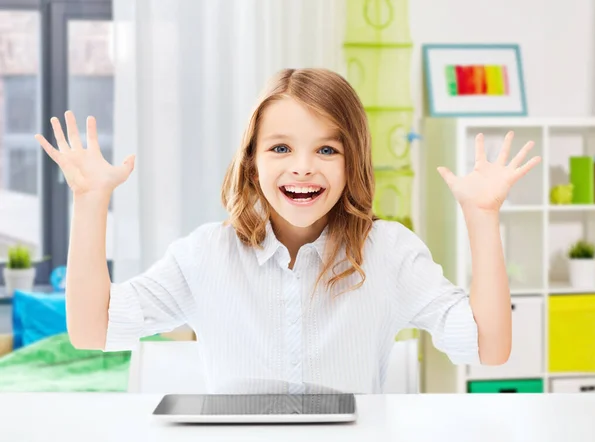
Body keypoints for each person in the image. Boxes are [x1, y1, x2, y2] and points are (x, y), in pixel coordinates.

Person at [35, 68, 541, 394]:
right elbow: (91, 329)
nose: (303, 168)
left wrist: (482, 217)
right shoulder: (205, 254)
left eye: (326, 150)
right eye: (280, 148)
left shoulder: (390, 252)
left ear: (352, 165)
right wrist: (90, 201)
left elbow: (489, 347)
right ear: (252, 164)